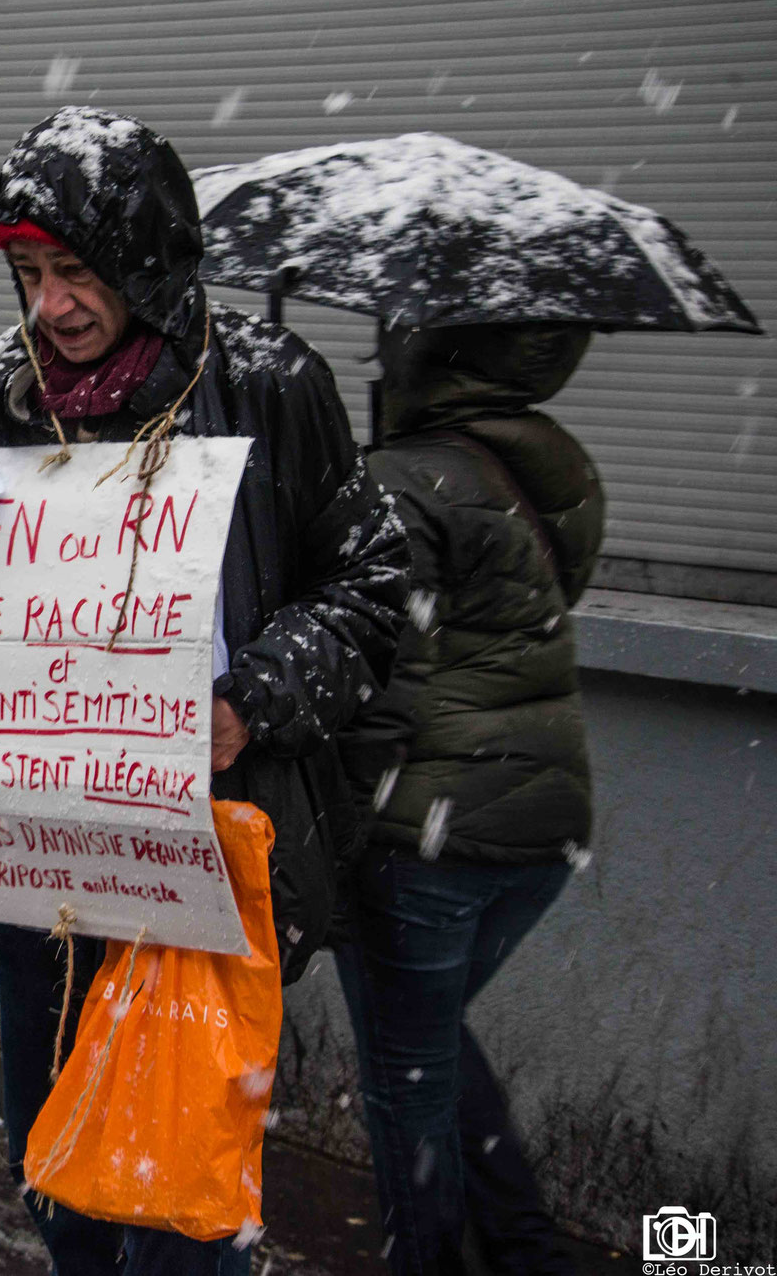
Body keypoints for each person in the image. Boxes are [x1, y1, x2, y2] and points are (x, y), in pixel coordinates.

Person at [0, 108, 409, 1275]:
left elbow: (377, 582)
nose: (47, 304)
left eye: (75, 270)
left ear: (146, 259)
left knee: (174, 1198)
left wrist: (251, 696)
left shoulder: (265, 383)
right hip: (35, 854)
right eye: (25, 272)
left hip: (192, 855)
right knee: (56, 1175)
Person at [335, 323, 603, 1275]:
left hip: (428, 832)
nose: (377, 360)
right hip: (543, 819)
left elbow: (382, 672)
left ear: (429, 360)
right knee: (433, 1038)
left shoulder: (406, 480)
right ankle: (529, 1250)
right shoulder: (548, 465)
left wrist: (340, 811)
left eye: (394, 346)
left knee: (406, 1077)